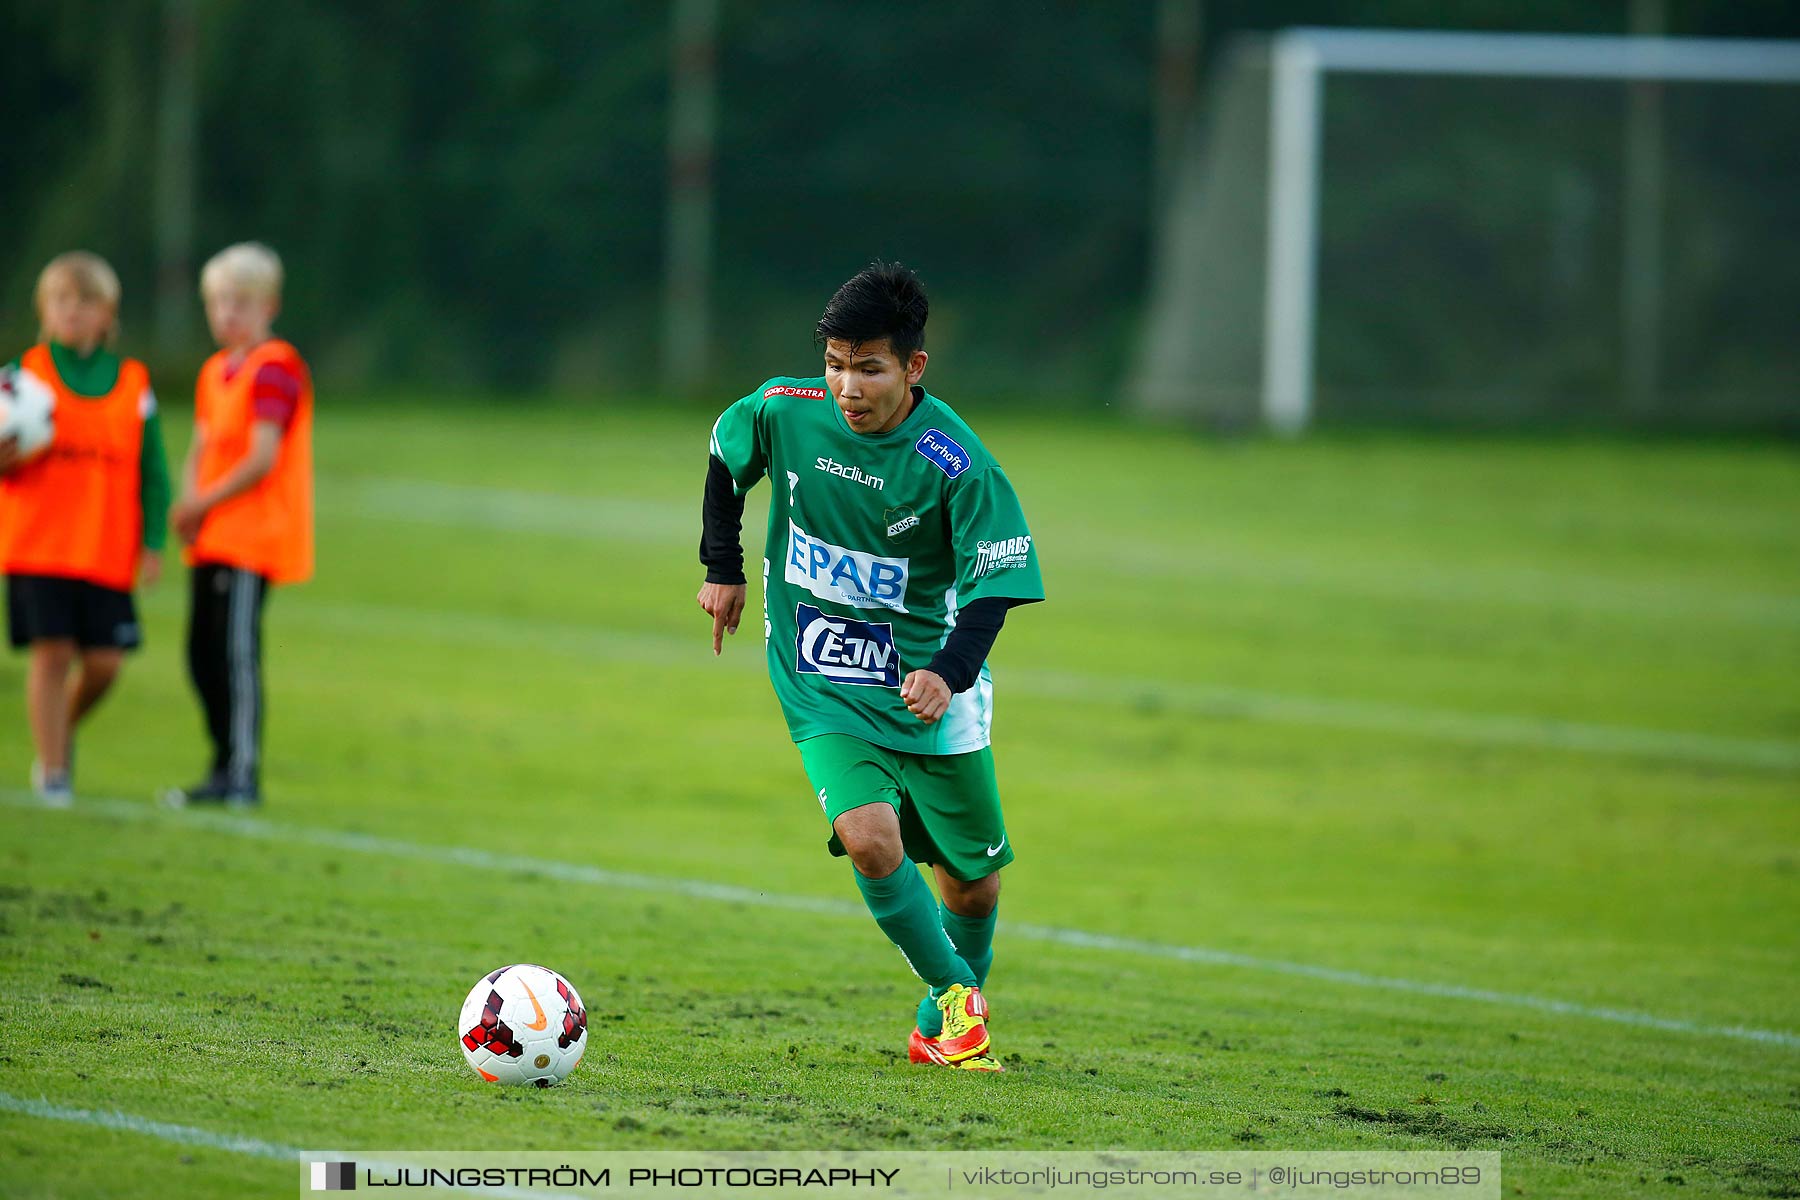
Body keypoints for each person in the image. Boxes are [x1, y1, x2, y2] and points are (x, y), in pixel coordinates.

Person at [696, 262, 1044, 1072]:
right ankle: (961, 999)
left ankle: (937, 1025)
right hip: (819, 679)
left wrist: (949, 673)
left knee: (973, 890)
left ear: (913, 367)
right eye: (836, 363)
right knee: (869, 839)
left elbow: (995, 581)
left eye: (870, 367)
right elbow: (724, 453)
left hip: (930, 690)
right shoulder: (790, 410)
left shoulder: (955, 460)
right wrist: (724, 565)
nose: (848, 386)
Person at [0, 251, 170, 806]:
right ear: (44, 311)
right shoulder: (23, 380)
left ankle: (62, 732)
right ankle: (53, 773)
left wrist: (153, 542)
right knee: (52, 655)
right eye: (60, 301)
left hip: (104, 548)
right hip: (40, 546)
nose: (72, 312)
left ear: (108, 314)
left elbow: (154, 471)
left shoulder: (132, 382)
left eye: (85, 301)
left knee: (104, 663)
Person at [163, 242, 314, 808]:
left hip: (253, 537)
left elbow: (262, 456)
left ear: (268, 307)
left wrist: (203, 503)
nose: (229, 313)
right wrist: (189, 504)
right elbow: (202, 447)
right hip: (214, 536)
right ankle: (221, 762)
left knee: (236, 654)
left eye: (241, 302)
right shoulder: (213, 373)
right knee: (199, 654)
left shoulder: (273, 368)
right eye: (219, 302)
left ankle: (242, 772)